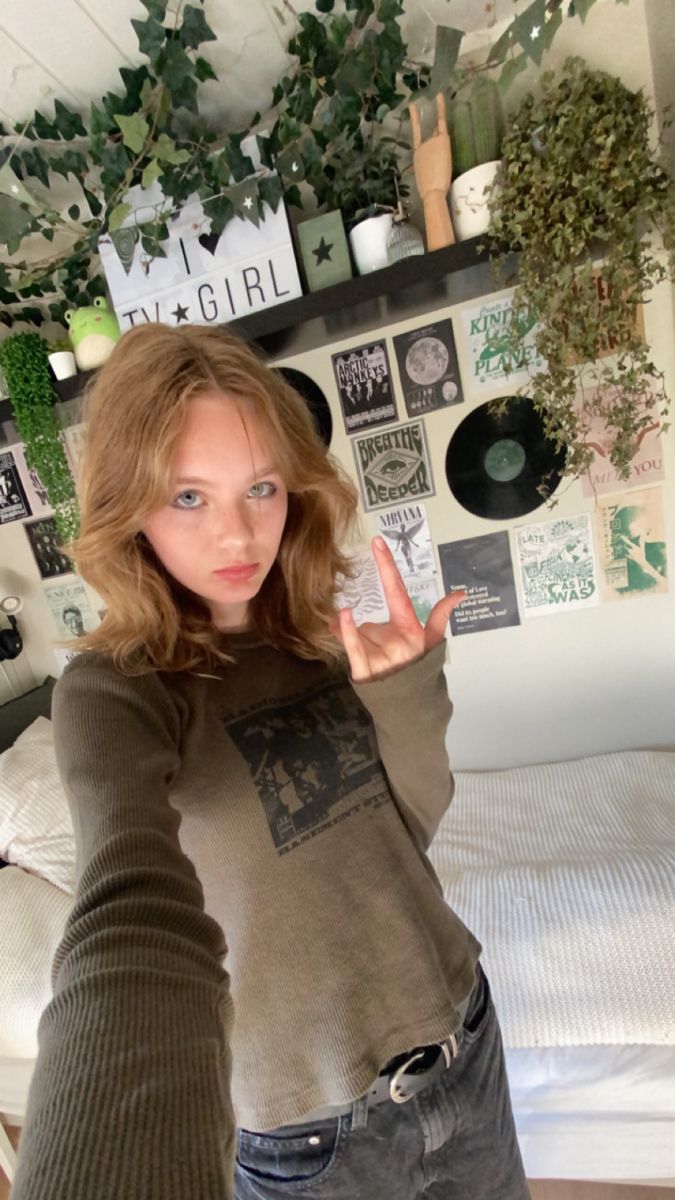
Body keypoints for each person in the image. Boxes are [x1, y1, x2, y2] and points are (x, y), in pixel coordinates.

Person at [12, 323, 529, 1200]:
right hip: (309, 1136)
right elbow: (127, 907)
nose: (238, 534)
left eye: (259, 487)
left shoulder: (316, 630)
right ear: (128, 503)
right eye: (187, 497)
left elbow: (410, 830)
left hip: (461, 1042)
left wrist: (407, 692)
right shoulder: (115, 692)